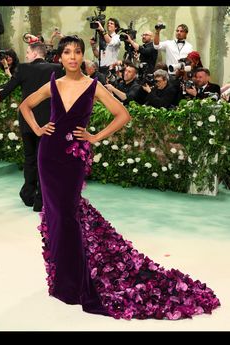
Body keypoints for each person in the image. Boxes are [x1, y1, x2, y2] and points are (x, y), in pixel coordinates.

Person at [19, 35, 220, 320]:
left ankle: (75, 281)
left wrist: (94, 137)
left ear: (82, 56)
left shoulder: (94, 86)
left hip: (74, 159)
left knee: (68, 214)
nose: (73, 57)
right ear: (60, 58)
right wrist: (39, 129)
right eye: (67, 53)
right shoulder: (53, 85)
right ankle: (62, 280)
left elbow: (122, 114)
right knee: (55, 216)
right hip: (49, 156)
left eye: (78, 52)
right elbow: (24, 106)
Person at [0, 42, 64, 212]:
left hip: (28, 121)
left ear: (34, 53)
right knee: (45, 161)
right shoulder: (56, 69)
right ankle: (41, 200)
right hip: (49, 123)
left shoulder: (23, 69)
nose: (25, 55)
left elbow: (8, 88)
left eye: (27, 52)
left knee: (30, 158)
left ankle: (28, 195)